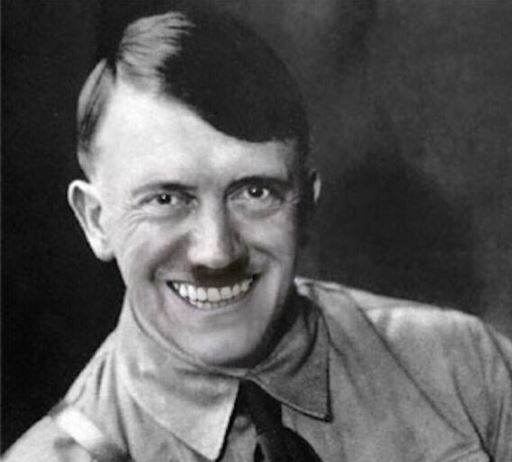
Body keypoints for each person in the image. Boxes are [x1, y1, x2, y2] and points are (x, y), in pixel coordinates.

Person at [4, 3, 512, 462]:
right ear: (96, 221)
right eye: (165, 200)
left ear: (305, 205)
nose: (216, 251)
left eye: (255, 192)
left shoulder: (464, 366)